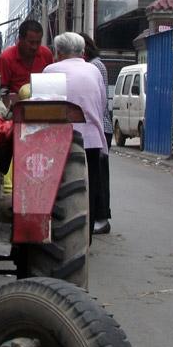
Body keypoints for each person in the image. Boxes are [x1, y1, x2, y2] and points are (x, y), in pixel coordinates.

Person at [43, 32, 107, 241]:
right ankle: (85, 238)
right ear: (82, 52)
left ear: (59, 53)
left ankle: (49, 230)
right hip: (91, 139)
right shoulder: (94, 71)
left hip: (55, 140)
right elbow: (102, 105)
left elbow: (42, 107)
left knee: (51, 186)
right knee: (90, 190)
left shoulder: (50, 70)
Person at [80, 32, 111, 234]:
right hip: (94, 126)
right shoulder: (93, 65)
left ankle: (102, 217)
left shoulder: (95, 67)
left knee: (98, 176)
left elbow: (100, 102)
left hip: (100, 126)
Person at [0, 20, 53, 93]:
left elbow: (51, 82)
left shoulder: (46, 54)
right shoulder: (6, 58)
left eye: (38, 42)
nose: (35, 47)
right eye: (31, 42)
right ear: (20, 38)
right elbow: (1, 89)